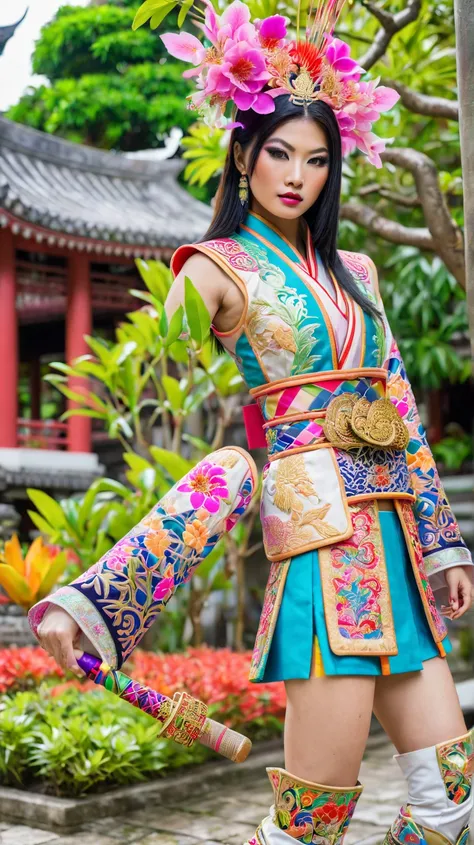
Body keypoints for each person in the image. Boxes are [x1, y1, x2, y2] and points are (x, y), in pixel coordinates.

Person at [32, 2, 473, 844]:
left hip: (398, 549)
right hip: (318, 547)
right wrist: (95, 599)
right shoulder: (213, 267)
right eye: (278, 152)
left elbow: (402, 407)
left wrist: (444, 540)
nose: (296, 174)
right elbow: (148, 408)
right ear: (243, 154)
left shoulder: (360, 269)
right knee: (314, 821)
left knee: (454, 801)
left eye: (316, 158)